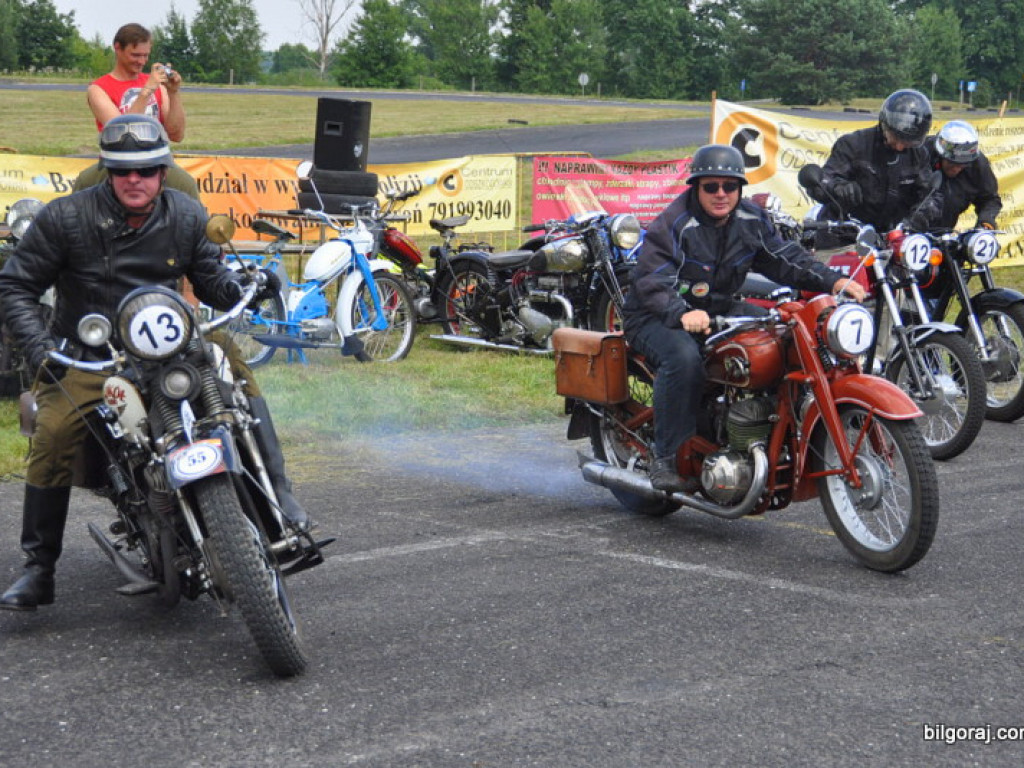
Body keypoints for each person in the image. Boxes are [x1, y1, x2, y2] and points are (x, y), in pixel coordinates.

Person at [0, 115, 308, 611]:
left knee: (238, 379)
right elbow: (16, 285)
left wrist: (246, 287)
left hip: (169, 343)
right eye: (123, 171)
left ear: (163, 171)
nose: (134, 180)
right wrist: (40, 349)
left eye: (145, 170)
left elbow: (210, 277)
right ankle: (39, 568)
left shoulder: (185, 215)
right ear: (107, 172)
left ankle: (282, 502)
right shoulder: (66, 218)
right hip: (90, 353)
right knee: (54, 433)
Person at [621, 144, 867, 493]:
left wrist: (833, 280)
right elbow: (653, 281)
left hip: (718, 307)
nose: (721, 194)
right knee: (684, 359)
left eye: (730, 186)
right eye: (711, 186)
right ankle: (666, 456)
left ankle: (760, 431)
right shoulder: (675, 222)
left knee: (783, 337)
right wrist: (682, 313)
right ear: (696, 186)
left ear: (740, 189)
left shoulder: (752, 220)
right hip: (654, 314)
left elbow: (784, 258)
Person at [76, 23, 197, 198]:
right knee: (83, 186)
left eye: (145, 55)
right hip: (118, 164)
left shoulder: (156, 84)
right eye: (135, 55)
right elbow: (123, 134)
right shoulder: (99, 89)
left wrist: (173, 92)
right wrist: (146, 91)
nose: (141, 61)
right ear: (117, 48)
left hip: (156, 162)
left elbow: (176, 135)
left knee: (187, 186)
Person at [817, 89, 942, 241]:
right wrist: (839, 187)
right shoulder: (853, 144)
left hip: (892, 237)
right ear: (885, 125)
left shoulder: (918, 154)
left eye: (907, 142)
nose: (899, 147)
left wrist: (922, 214)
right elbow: (821, 182)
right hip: (843, 232)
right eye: (896, 138)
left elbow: (931, 194)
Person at [925, 119, 1002, 230]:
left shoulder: (977, 164)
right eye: (952, 163)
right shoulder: (921, 154)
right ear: (941, 155)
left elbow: (990, 199)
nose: (956, 169)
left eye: (963, 164)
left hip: (944, 233)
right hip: (908, 229)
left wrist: (986, 222)